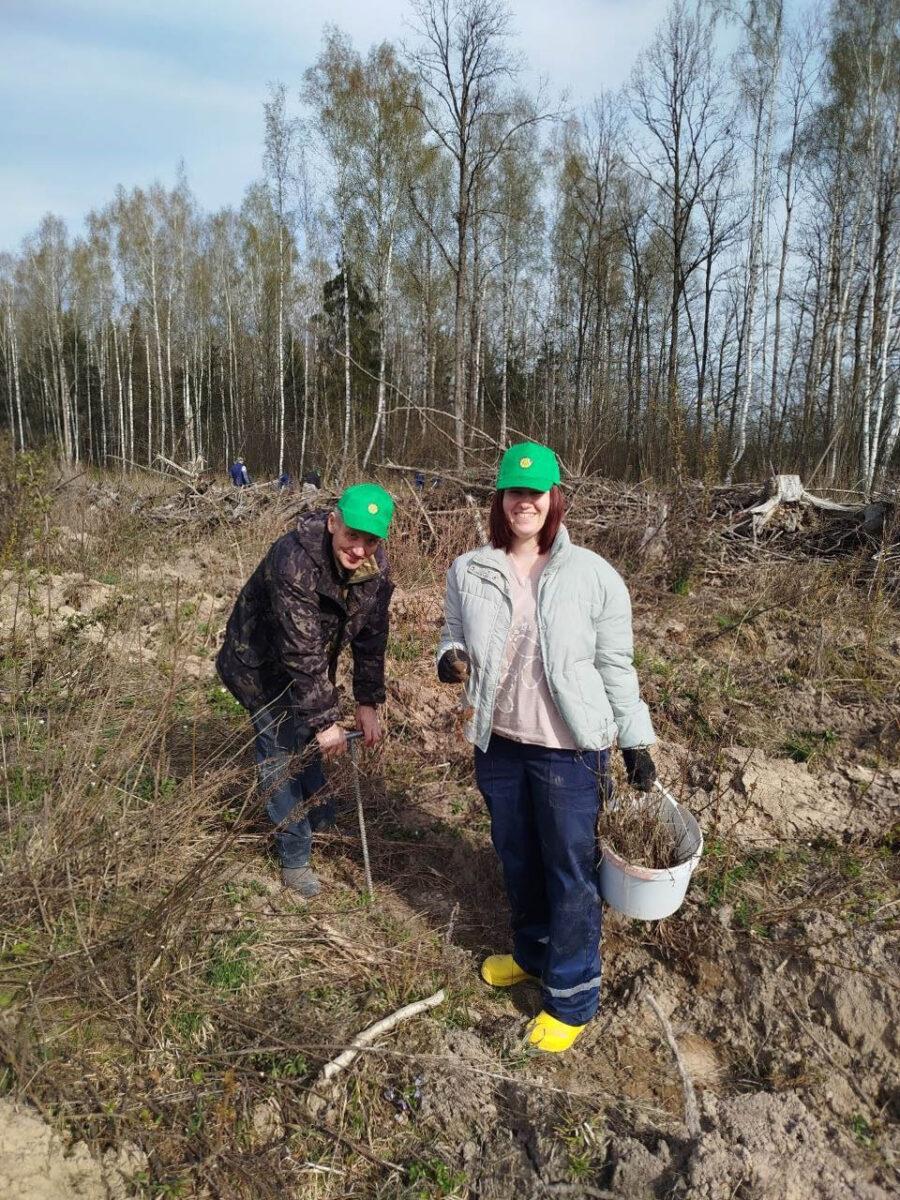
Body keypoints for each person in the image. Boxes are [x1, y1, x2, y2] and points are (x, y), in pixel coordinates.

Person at [437, 442, 656, 1053]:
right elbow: (451, 632)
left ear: (555, 499)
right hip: (498, 746)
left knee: (570, 874)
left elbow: (616, 664)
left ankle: (573, 995)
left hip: (569, 753)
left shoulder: (592, 575)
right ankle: (531, 955)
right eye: (513, 492)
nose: (524, 503)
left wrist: (635, 739)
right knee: (517, 857)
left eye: (535, 493)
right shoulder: (470, 570)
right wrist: (448, 658)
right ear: (499, 500)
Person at [217, 483, 396, 896]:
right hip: (259, 665)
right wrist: (325, 719)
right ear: (334, 523)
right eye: (353, 535)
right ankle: (295, 855)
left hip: (310, 665)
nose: (359, 550)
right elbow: (300, 646)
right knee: (279, 753)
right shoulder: (294, 559)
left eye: (371, 540)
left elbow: (372, 637)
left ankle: (318, 812)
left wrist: (367, 702)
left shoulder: (374, 570)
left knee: (310, 733)